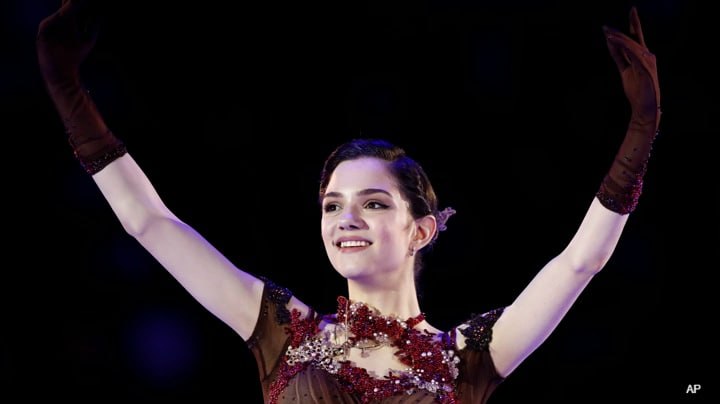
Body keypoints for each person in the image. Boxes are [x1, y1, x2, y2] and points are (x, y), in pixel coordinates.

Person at [36, 1, 662, 403]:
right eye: (332, 205)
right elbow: (149, 222)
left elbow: (580, 262)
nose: (345, 219)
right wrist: (67, 92)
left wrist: (642, 130)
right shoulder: (279, 330)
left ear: (421, 230)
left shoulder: (471, 356)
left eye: (374, 203)